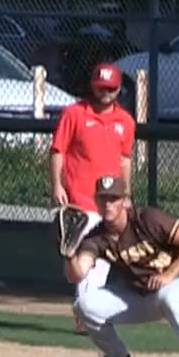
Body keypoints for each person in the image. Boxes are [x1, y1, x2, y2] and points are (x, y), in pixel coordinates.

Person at [65, 174, 179, 357]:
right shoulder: (97, 237)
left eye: (114, 198)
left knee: (169, 295)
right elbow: (78, 273)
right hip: (143, 296)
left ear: (126, 201)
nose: (108, 204)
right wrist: (68, 254)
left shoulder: (147, 219)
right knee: (84, 305)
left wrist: (169, 275)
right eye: (103, 199)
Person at [49, 62, 136, 329]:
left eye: (110, 89)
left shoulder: (125, 121)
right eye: (101, 88)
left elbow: (125, 160)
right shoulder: (74, 114)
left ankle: (86, 313)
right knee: (85, 258)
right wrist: (56, 185)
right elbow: (57, 150)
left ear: (119, 89)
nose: (105, 93)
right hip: (80, 198)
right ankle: (85, 314)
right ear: (93, 87)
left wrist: (127, 193)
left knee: (103, 261)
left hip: (109, 201)